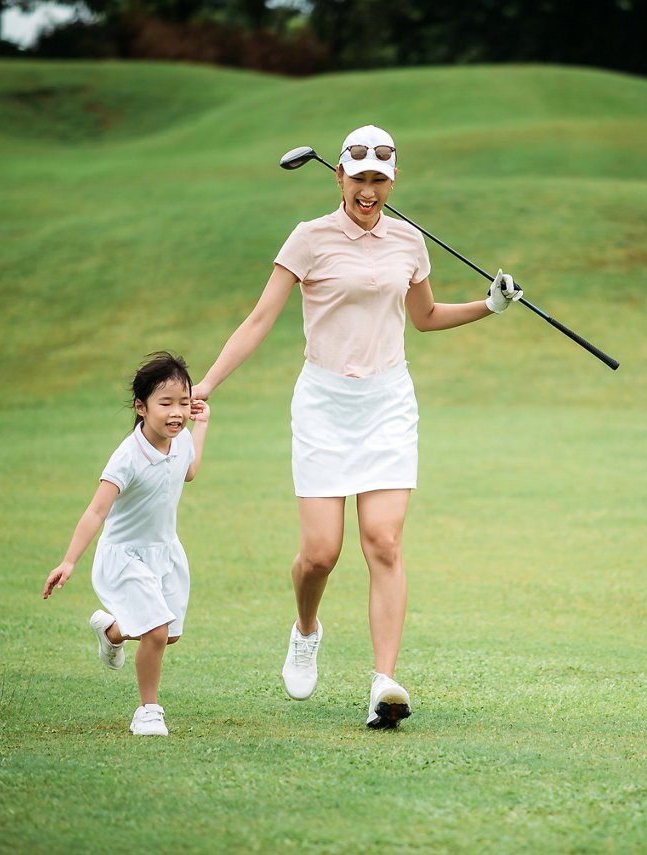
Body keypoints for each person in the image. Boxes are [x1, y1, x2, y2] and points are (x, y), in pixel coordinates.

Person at [192, 124, 522, 729]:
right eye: (359, 179)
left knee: (383, 541)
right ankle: (306, 628)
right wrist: (209, 382)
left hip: (388, 401)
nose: (368, 191)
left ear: (393, 180)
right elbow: (260, 318)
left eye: (380, 180)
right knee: (320, 555)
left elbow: (422, 318)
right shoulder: (309, 238)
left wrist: (488, 306)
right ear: (339, 176)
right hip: (323, 403)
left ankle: (384, 683)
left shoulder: (410, 241)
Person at [42, 352, 211, 736]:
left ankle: (112, 632)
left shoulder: (181, 437)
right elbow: (95, 513)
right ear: (141, 406)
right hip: (125, 556)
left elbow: (189, 471)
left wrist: (201, 425)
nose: (176, 412)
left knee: (168, 635)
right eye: (165, 402)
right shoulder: (126, 458)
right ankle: (148, 711)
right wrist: (69, 562)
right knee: (155, 631)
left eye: (183, 403)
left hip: (165, 552)